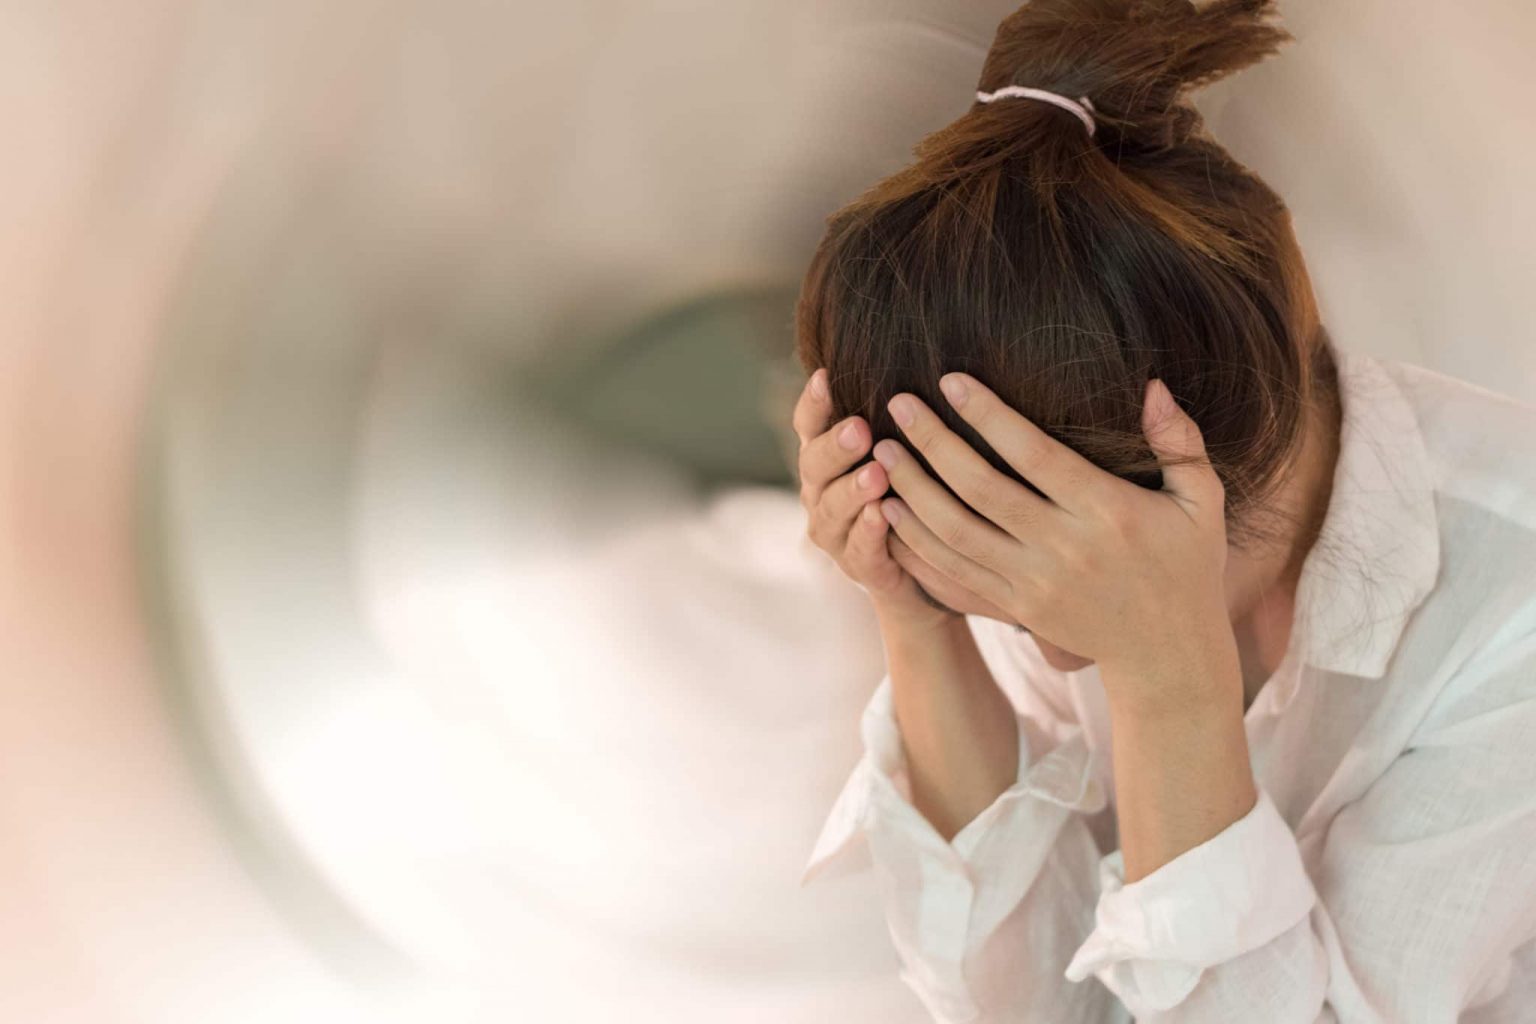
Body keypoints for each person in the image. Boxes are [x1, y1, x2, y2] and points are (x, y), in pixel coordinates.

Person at [789, 0, 1536, 1020]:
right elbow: (1028, 1005)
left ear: (1221, 472)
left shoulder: (1512, 603)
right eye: (1004, 616)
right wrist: (920, 617)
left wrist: (1170, 681)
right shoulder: (1038, 487)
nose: (1055, 659)